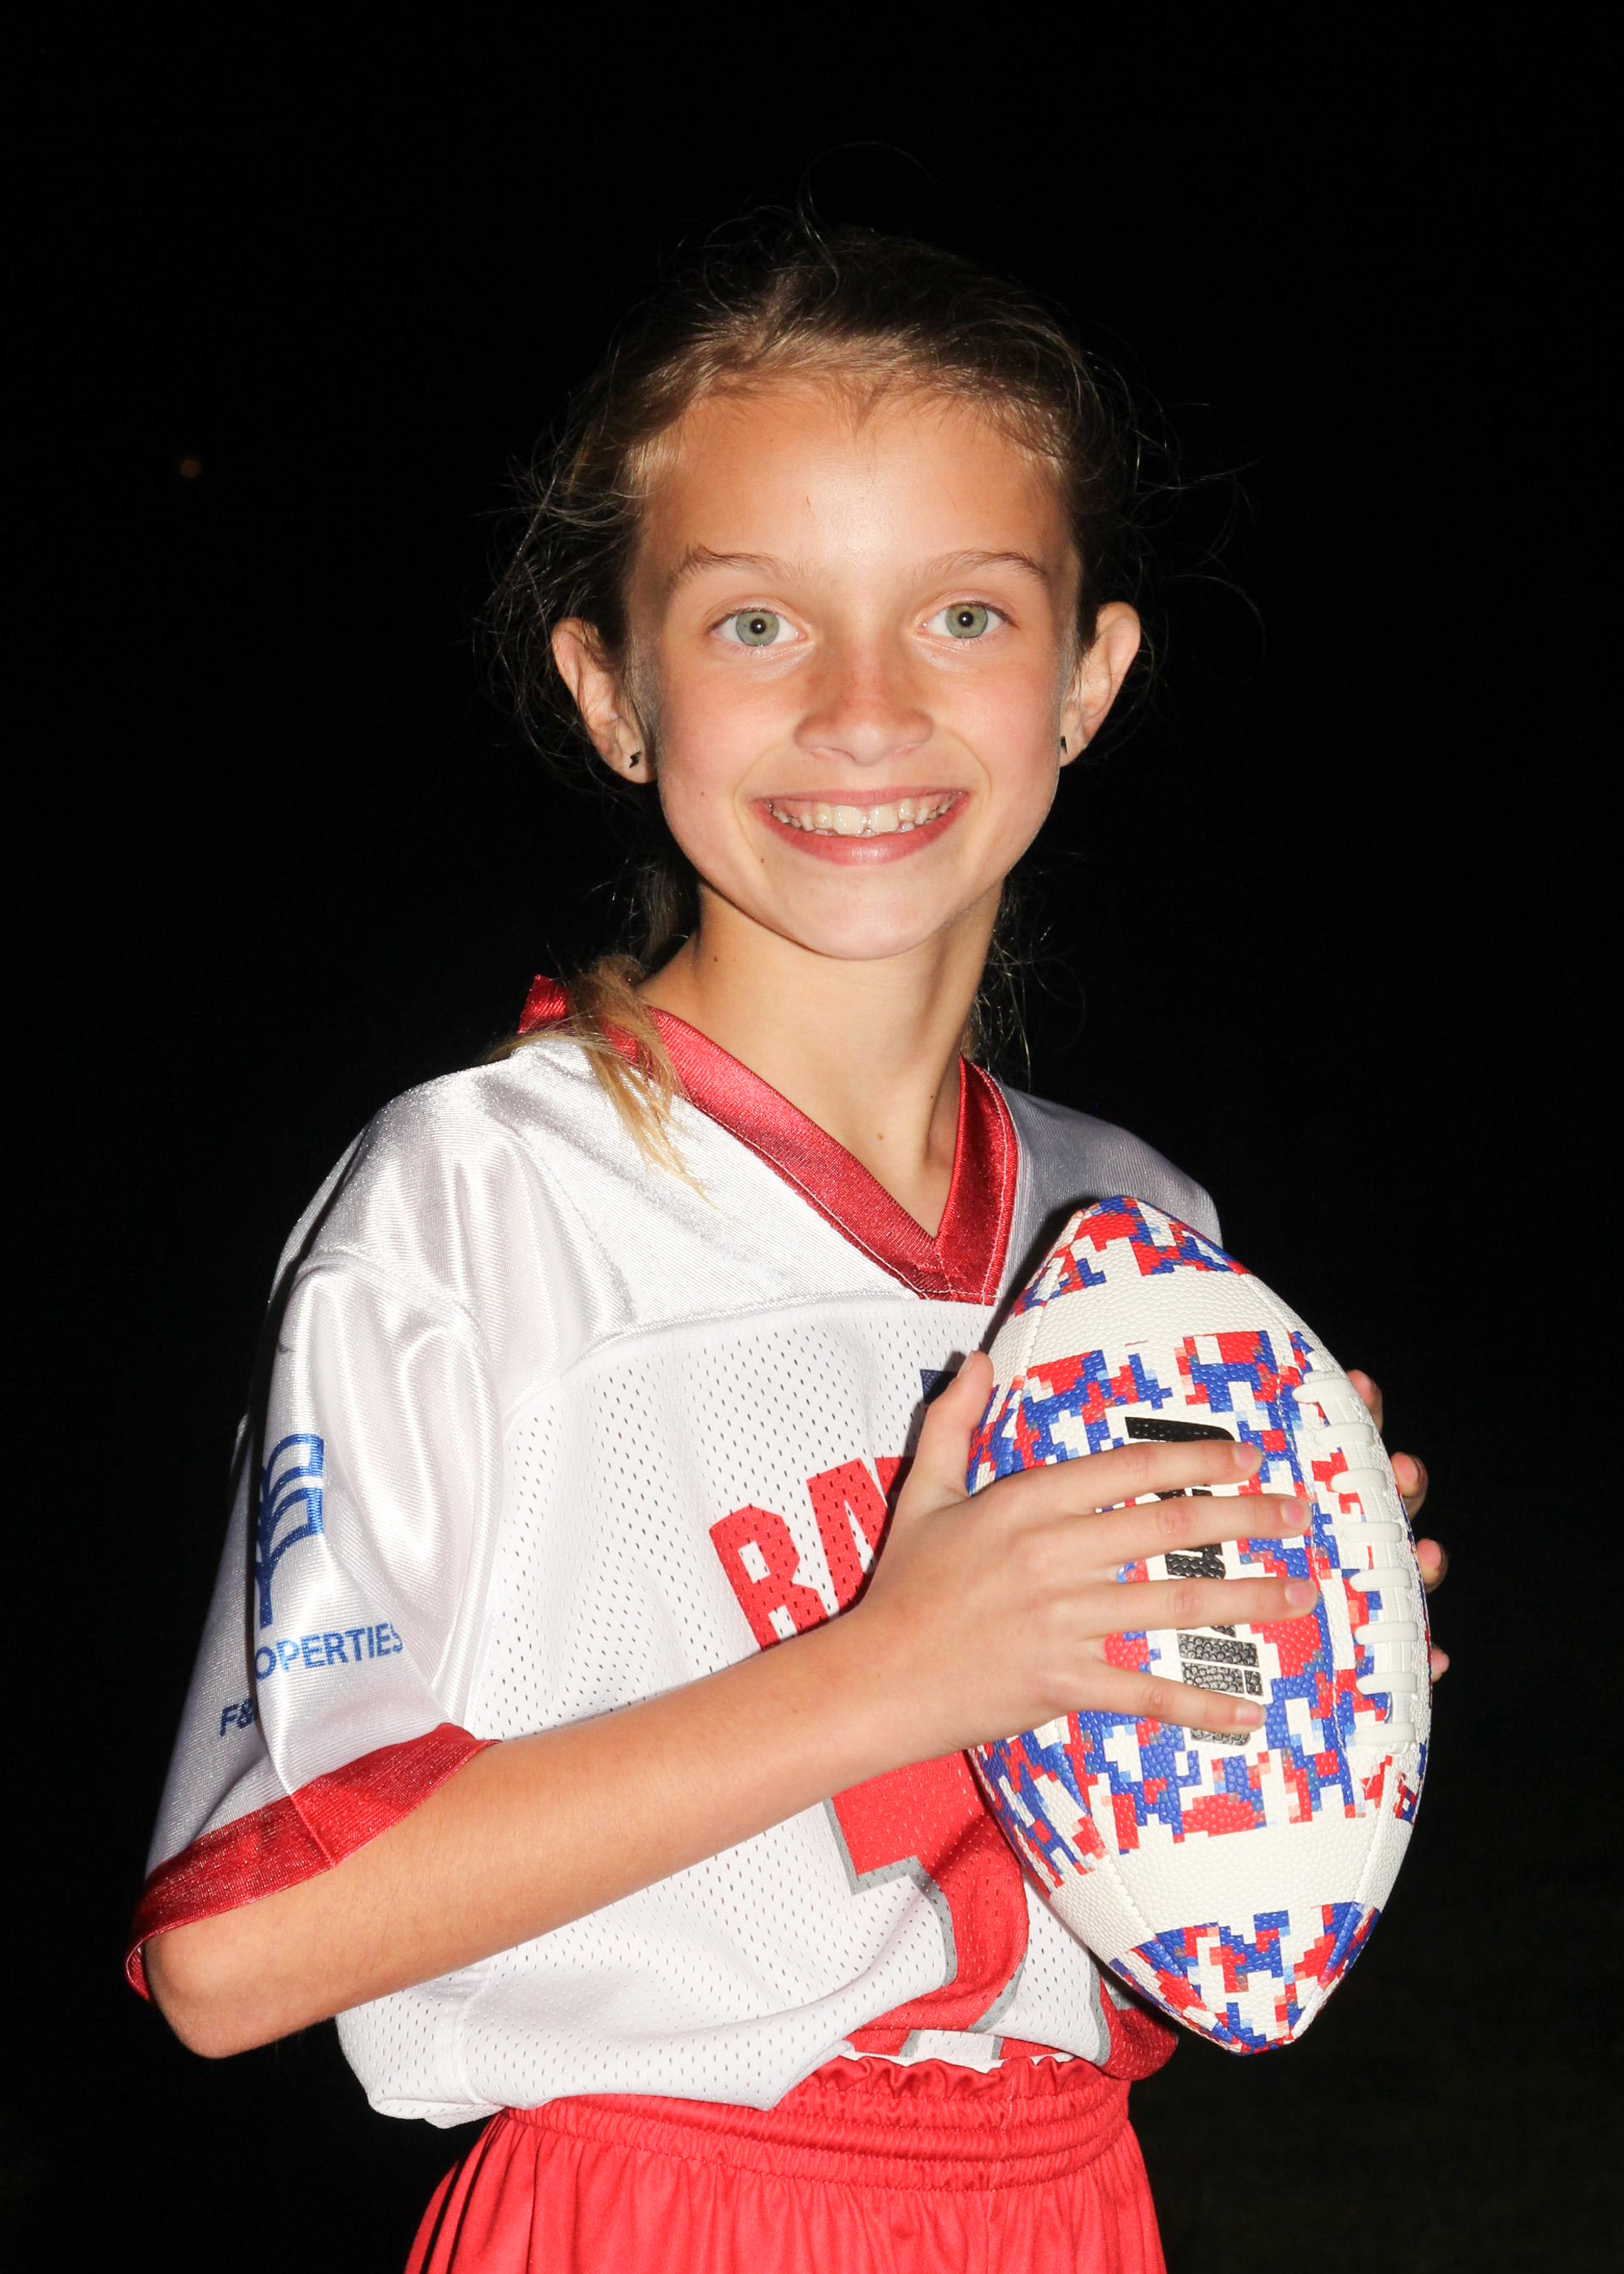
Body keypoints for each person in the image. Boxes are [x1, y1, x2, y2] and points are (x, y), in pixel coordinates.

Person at [130, 220, 1446, 2272]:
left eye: (962, 614)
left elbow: (1147, 1918)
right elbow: (242, 1948)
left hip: (1063, 2204)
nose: (862, 707)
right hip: (652, 2204)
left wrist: (1280, 1671)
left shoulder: (1138, 1234)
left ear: (1086, 678)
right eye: (755, 623)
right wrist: (901, 1666)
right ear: (611, 689)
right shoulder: (482, 1198)